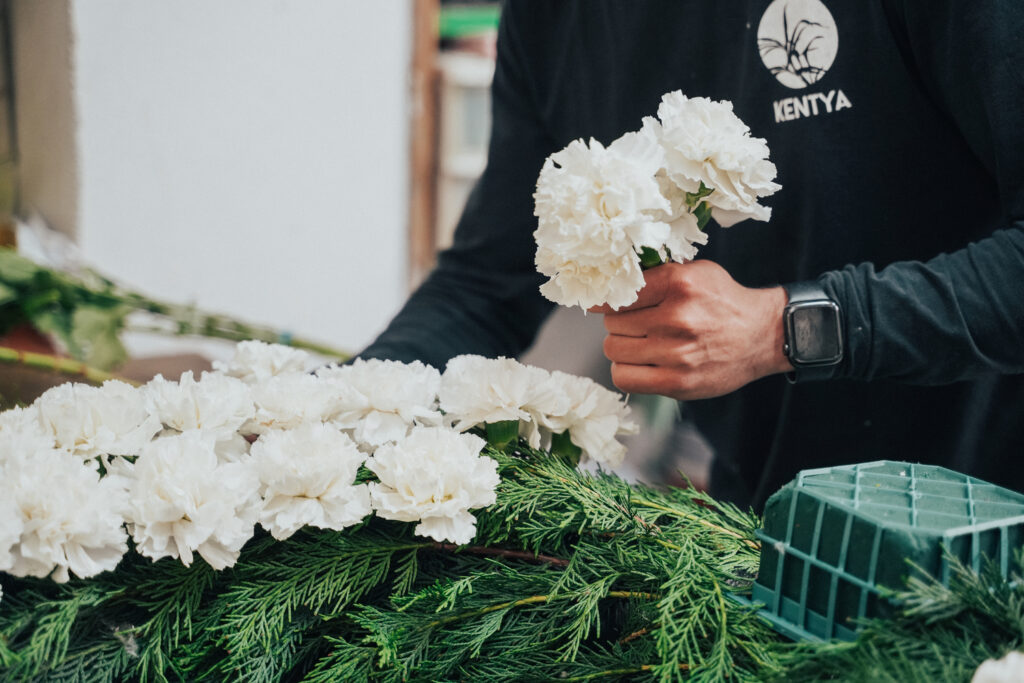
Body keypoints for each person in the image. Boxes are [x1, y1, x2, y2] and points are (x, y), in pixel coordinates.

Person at [361, 1, 1024, 509]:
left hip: (989, 515)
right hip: (775, 521)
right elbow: (482, 283)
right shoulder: (549, 21)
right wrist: (337, 406)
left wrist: (781, 328)